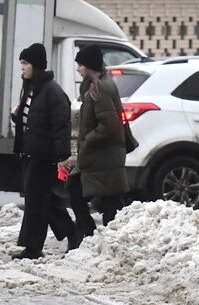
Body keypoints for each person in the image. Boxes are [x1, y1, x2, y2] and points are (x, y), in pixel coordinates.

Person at [11, 43, 76, 260]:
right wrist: (17, 116)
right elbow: (34, 119)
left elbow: (61, 126)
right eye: (21, 63)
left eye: (25, 63)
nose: (22, 67)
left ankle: (32, 247)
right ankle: (72, 233)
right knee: (44, 200)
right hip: (32, 153)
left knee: (36, 202)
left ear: (36, 65)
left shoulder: (53, 92)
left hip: (43, 156)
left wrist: (61, 157)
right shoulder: (34, 88)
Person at [65, 44, 127, 242]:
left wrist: (88, 140)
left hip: (102, 157)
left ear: (89, 66)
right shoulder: (94, 86)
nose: (78, 69)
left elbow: (109, 125)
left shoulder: (100, 88)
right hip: (98, 157)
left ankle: (96, 237)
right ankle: (93, 236)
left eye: (80, 65)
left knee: (99, 199)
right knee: (102, 200)